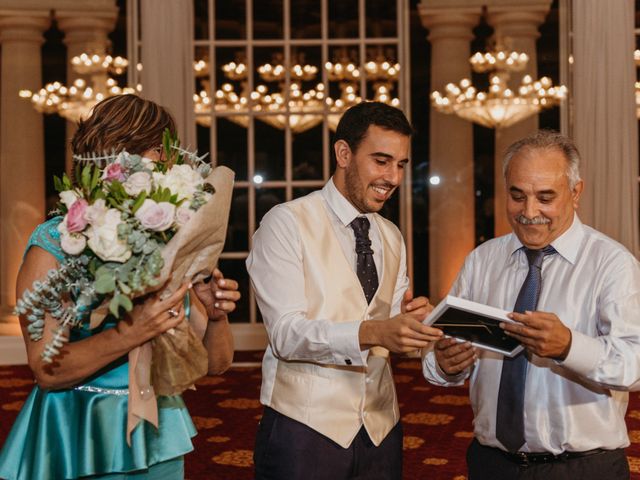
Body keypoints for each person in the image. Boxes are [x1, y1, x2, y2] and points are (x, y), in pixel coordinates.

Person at [0, 95, 240, 480]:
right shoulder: (56, 243)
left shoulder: (168, 242)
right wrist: (136, 331)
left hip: (159, 431)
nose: (170, 166)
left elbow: (215, 366)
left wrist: (215, 318)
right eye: (159, 156)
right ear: (115, 159)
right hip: (77, 430)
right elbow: (46, 369)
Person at [422, 130, 640, 480]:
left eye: (545, 197)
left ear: (576, 192)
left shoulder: (612, 264)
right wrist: (445, 363)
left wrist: (570, 346)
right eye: (517, 195)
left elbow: (635, 363)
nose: (529, 212)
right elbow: (441, 361)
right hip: (491, 464)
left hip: (583, 468)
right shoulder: (482, 260)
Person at [247, 101, 443, 480]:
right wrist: (374, 331)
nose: (394, 177)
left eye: (401, 164)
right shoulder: (286, 222)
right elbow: (285, 334)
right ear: (343, 153)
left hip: (382, 428)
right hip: (304, 430)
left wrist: (416, 326)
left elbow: (388, 329)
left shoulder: (391, 235)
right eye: (381, 161)